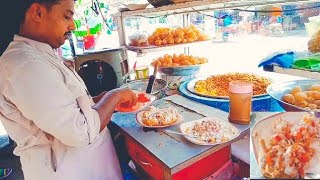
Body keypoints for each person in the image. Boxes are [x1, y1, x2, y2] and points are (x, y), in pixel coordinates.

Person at [0, 0, 137, 179]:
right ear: (37, 13)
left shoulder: (39, 53)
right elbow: (80, 131)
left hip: (88, 164)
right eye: (67, 16)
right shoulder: (24, 65)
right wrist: (114, 96)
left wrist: (96, 100)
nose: (72, 25)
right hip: (68, 171)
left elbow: (65, 107)